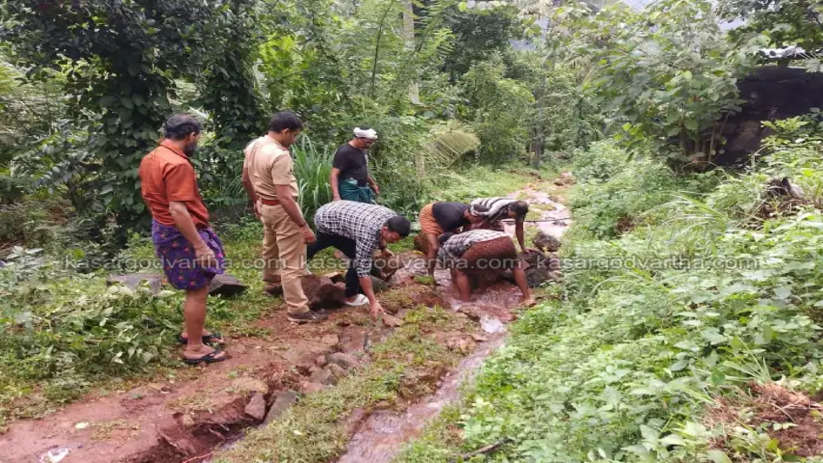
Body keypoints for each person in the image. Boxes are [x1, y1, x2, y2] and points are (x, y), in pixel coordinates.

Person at [139, 114, 228, 364]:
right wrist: (199, 245)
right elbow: (178, 209)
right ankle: (195, 347)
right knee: (197, 288)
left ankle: (193, 331)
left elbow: (150, 197)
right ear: (191, 136)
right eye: (197, 137)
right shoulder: (179, 165)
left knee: (195, 285)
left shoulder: (152, 157)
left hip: (164, 226)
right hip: (180, 231)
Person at [241, 111, 327, 324]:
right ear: (285, 131)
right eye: (294, 135)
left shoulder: (254, 146)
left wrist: (255, 201)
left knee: (270, 246)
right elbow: (285, 196)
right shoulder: (279, 155)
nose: (294, 140)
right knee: (292, 262)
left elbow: (245, 179)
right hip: (282, 210)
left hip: (265, 206)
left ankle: (271, 281)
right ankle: (298, 310)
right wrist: (303, 226)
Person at [308, 200, 410, 318]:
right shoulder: (368, 234)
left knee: (334, 245)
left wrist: (383, 248)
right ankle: (351, 296)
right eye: (394, 238)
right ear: (385, 229)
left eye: (398, 240)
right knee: (355, 258)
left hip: (340, 211)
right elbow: (362, 270)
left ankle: (301, 257)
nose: (395, 242)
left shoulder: (392, 218)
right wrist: (373, 302)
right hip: (326, 219)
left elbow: (380, 236)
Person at [437, 229, 534, 305]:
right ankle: (527, 297)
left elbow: (451, 267)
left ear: (442, 243)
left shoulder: (447, 244)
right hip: (505, 240)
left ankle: (465, 302)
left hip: (483, 245)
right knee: (515, 266)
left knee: (460, 271)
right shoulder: (465, 236)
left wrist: (454, 284)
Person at [418, 201, 482, 276]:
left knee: (463, 243)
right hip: (429, 214)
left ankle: (461, 273)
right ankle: (429, 274)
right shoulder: (451, 219)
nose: (477, 222)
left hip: (444, 213)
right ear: (469, 214)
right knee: (434, 247)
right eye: (476, 219)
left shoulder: (470, 212)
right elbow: (447, 240)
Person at [330, 127, 379, 203]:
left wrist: (372, 184)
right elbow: (334, 174)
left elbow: (362, 169)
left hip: (362, 188)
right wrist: (336, 196)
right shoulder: (344, 151)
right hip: (349, 190)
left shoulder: (362, 149)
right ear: (359, 138)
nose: (370, 145)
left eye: (371, 142)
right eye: (368, 142)